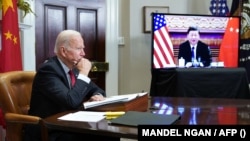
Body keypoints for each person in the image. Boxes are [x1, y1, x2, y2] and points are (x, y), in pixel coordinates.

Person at [24, 30, 119, 141]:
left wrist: (97, 95)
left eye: (83, 48)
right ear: (63, 51)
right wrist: (84, 72)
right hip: (50, 130)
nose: (83, 54)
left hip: (68, 124)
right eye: (79, 49)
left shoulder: (73, 69)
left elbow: (98, 90)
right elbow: (71, 101)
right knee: (104, 135)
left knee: (110, 132)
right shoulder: (48, 71)